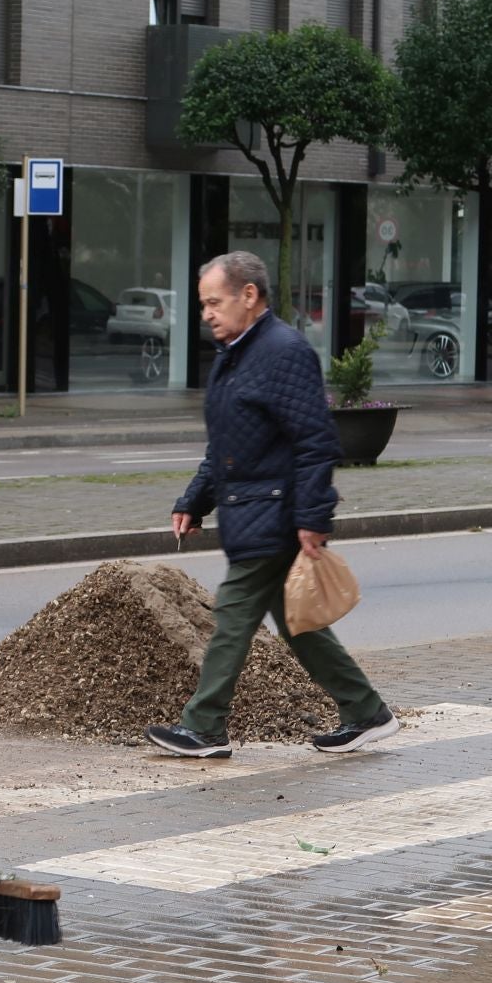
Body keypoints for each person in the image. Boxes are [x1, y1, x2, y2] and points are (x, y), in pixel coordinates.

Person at [146, 251, 398, 760]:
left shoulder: (283, 351)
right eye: (203, 305)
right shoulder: (235, 354)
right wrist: (195, 499)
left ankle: (204, 727)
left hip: (276, 514)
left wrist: (312, 517)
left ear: (249, 295)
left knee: (232, 616)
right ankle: (366, 711)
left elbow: (316, 441)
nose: (207, 314)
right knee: (299, 625)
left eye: (214, 302)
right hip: (252, 507)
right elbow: (227, 444)